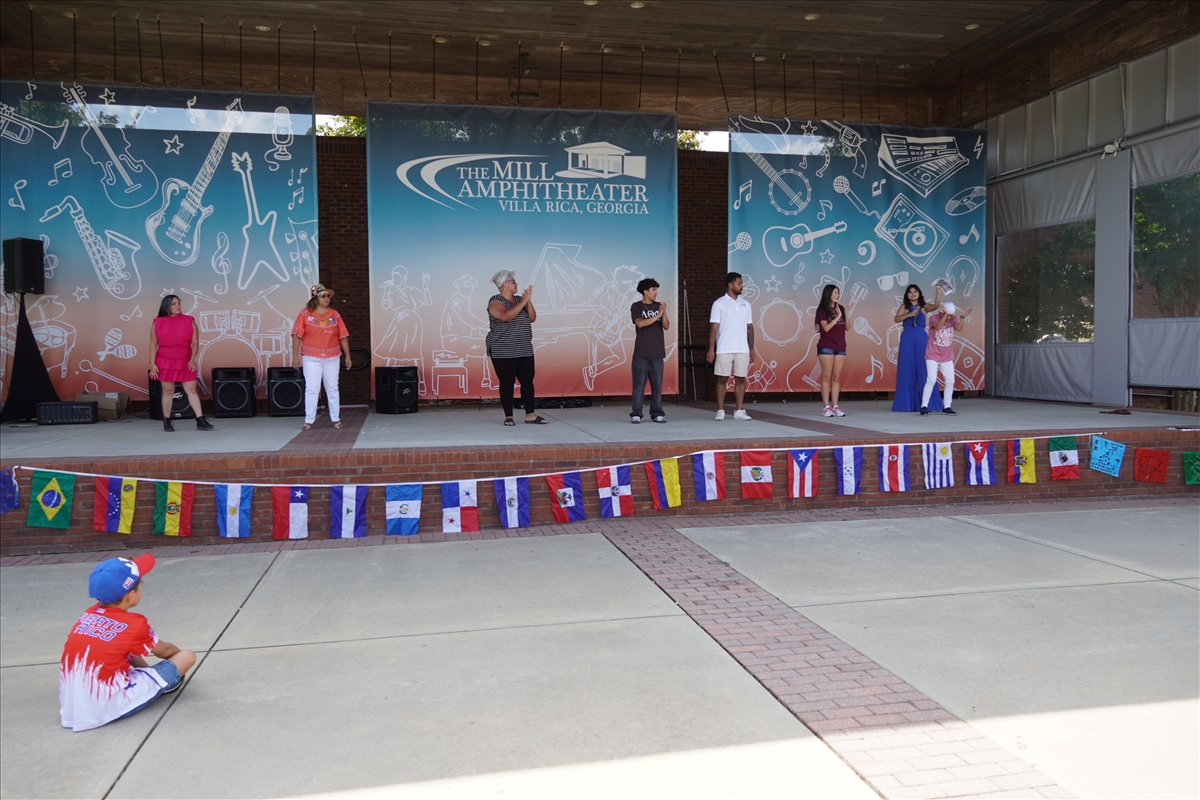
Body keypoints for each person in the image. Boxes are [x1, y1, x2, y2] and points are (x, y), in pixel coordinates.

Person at [60, 554, 196, 732]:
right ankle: (159, 687)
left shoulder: (88, 614)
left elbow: (125, 649)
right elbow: (166, 650)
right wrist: (177, 664)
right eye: (141, 586)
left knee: (123, 648)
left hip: (73, 706)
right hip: (108, 707)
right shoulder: (134, 624)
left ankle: (150, 679)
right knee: (187, 656)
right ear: (130, 596)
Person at [487, 270, 547, 426]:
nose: (516, 284)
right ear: (504, 285)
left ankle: (530, 414)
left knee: (527, 382)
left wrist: (527, 300)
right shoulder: (495, 302)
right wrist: (522, 302)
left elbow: (532, 318)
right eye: (513, 281)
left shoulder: (520, 300)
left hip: (524, 348)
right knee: (507, 382)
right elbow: (505, 316)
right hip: (503, 350)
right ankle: (509, 416)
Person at [149, 294, 214, 432]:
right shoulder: (157, 322)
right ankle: (167, 420)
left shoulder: (189, 320)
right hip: (165, 360)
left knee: (191, 389)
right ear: (166, 306)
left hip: (185, 360)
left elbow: (195, 343)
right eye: (174, 304)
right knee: (168, 391)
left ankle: (200, 419)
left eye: (178, 303)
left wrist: (192, 359)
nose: (177, 306)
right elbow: (153, 344)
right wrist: (153, 364)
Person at [292, 283, 351, 430]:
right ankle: (309, 420)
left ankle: (336, 419)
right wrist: (295, 357)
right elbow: (297, 336)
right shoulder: (305, 314)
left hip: (332, 357)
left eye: (328, 296)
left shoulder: (335, 315)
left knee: (332, 388)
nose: (326, 298)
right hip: (311, 357)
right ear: (315, 298)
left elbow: (343, 336)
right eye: (323, 296)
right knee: (312, 389)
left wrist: (348, 356)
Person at [707, 272, 756, 421]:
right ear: (730, 285)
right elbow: (714, 328)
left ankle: (739, 410)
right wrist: (711, 349)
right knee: (722, 379)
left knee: (740, 379)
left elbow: (749, 327)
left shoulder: (746, 304)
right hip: (724, 347)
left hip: (742, 348)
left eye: (741, 283)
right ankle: (720, 410)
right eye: (739, 284)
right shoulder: (719, 303)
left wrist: (751, 348)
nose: (742, 286)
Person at [891, 283, 943, 413]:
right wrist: (909, 315)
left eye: (915, 291)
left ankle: (927, 403)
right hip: (907, 337)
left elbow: (936, 306)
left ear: (919, 293)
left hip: (921, 337)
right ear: (907, 295)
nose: (913, 294)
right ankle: (907, 403)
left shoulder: (924, 306)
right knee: (906, 368)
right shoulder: (905, 306)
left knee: (924, 367)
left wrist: (937, 295)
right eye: (910, 292)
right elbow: (896, 318)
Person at [921, 300, 972, 416]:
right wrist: (945, 315)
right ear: (942, 312)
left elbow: (959, 329)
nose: (949, 317)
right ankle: (924, 405)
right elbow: (938, 327)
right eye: (948, 315)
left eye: (951, 315)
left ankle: (947, 406)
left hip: (947, 355)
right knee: (931, 380)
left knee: (950, 381)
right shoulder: (934, 318)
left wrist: (962, 318)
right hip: (932, 354)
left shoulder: (953, 319)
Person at [630, 277, 669, 423]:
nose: (656, 292)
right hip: (641, 354)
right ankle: (636, 414)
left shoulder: (659, 306)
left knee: (657, 386)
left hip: (657, 353)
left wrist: (663, 313)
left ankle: (657, 414)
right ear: (645, 292)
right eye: (653, 290)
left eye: (656, 290)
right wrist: (657, 315)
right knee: (639, 386)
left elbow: (666, 326)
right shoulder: (637, 306)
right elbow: (640, 323)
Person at [815, 283, 848, 417]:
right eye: (835, 292)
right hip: (826, 347)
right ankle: (826, 407)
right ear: (828, 294)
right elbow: (826, 328)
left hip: (840, 347)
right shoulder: (822, 310)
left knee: (836, 377)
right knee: (826, 377)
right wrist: (838, 316)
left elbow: (848, 327)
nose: (837, 295)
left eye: (838, 292)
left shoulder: (841, 308)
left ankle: (835, 406)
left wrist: (845, 314)